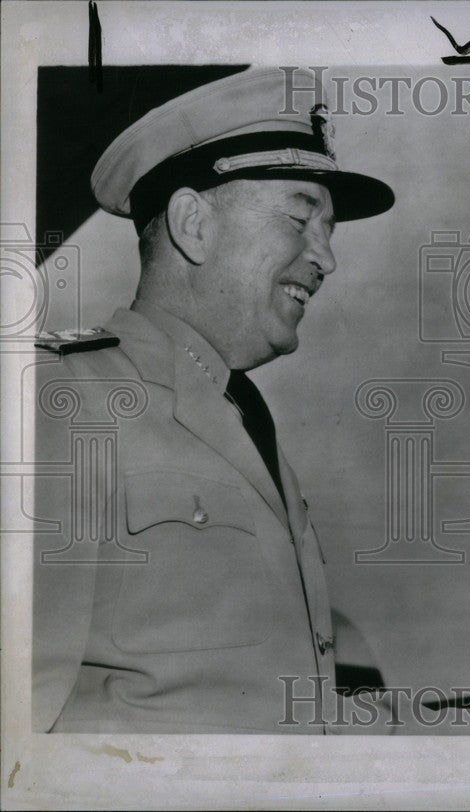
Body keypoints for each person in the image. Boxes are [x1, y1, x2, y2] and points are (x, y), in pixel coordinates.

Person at [32, 68, 396, 734]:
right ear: (193, 224)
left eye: (330, 230)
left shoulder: (242, 416)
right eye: (299, 217)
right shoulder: (58, 400)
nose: (327, 258)